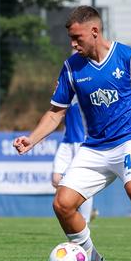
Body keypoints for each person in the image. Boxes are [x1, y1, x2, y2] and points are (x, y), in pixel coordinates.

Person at [14, 6, 131, 261]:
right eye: (71, 39)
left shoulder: (129, 57)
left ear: (94, 31)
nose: (73, 44)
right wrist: (32, 139)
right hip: (95, 147)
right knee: (62, 204)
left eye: (77, 38)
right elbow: (55, 113)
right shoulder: (72, 68)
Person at [52, 96, 95, 224]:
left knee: (84, 182)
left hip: (81, 140)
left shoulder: (81, 84)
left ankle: (85, 221)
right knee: (55, 180)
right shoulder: (65, 85)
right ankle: (79, 208)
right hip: (67, 141)